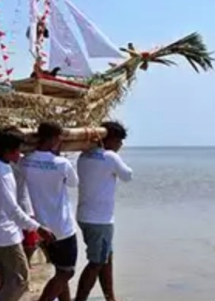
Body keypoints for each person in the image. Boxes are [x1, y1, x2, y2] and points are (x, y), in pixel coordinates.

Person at [0, 126, 54, 301]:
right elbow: (12, 209)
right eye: (18, 151)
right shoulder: (1, 172)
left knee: (2, 279)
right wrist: (38, 228)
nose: (20, 155)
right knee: (21, 279)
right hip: (5, 234)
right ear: (8, 151)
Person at [18, 122, 79, 301]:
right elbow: (74, 183)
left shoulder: (26, 161)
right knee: (67, 272)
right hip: (63, 227)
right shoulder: (61, 163)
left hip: (42, 227)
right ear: (53, 139)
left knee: (60, 271)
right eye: (59, 137)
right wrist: (57, 156)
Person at [74, 122, 132, 301]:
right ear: (110, 140)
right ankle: (80, 299)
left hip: (85, 216)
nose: (120, 145)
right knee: (97, 262)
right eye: (119, 141)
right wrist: (114, 157)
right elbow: (128, 175)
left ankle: (110, 298)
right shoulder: (110, 157)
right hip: (100, 220)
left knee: (106, 257)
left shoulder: (84, 156)